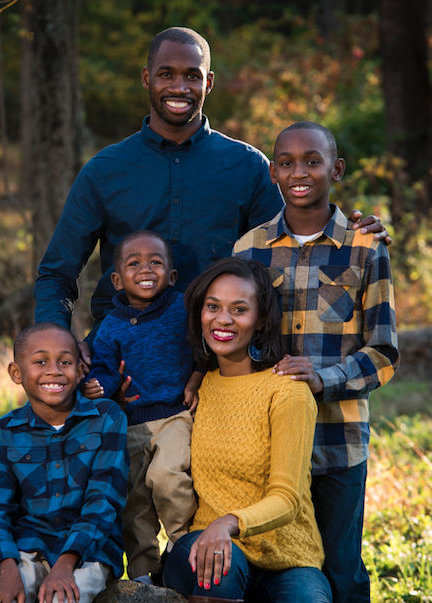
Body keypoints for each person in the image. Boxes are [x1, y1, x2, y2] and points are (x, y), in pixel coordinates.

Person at [33, 27, 388, 366]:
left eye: (192, 76)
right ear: (146, 78)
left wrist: (348, 229)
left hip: (223, 360)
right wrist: (59, 342)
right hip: (124, 358)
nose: (179, 87)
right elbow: (57, 273)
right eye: (166, 74)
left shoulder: (246, 166)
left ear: (209, 82)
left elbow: (290, 248)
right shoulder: (104, 170)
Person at [233, 121, 400, 603]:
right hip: (270, 443)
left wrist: (324, 377)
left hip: (338, 441)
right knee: (276, 564)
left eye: (312, 161)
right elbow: (240, 340)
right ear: (273, 172)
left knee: (343, 567)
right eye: (286, 162)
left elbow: (385, 353)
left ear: (337, 169)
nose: (299, 172)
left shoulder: (366, 248)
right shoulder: (250, 251)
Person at [163, 257, 335, 603]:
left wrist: (230, 522)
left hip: (287, 560)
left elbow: (288, 498)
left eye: (239, 310)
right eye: (213, 307)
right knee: (218, 564)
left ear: (260, 321)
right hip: (207, 551)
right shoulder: (200, 386)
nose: (222, 320)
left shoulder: (287, 392)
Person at [0, 322, 129, 603]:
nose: (54, 371)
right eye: (40, 361)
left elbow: (104, 500)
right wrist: (8, 569)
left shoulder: (107, 417)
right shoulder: (5, 431)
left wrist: (67, 562)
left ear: (81, 369)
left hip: (89, 551)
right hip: (27, 545)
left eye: (65, 362)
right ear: (16, 373)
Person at [82, 230, 201, 585]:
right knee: (134, 500)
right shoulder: (111, 325)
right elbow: (104, 365)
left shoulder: (182, 307)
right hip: (130, 423)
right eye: (134, 264)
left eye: (155, 262)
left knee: (167, 478)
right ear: (117, 280)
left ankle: (183, 550)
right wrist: (99, 385)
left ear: (172, 275)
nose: (145, 269)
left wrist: (195, 378)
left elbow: (203, 347)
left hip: (175, 416)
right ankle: (143, 573)